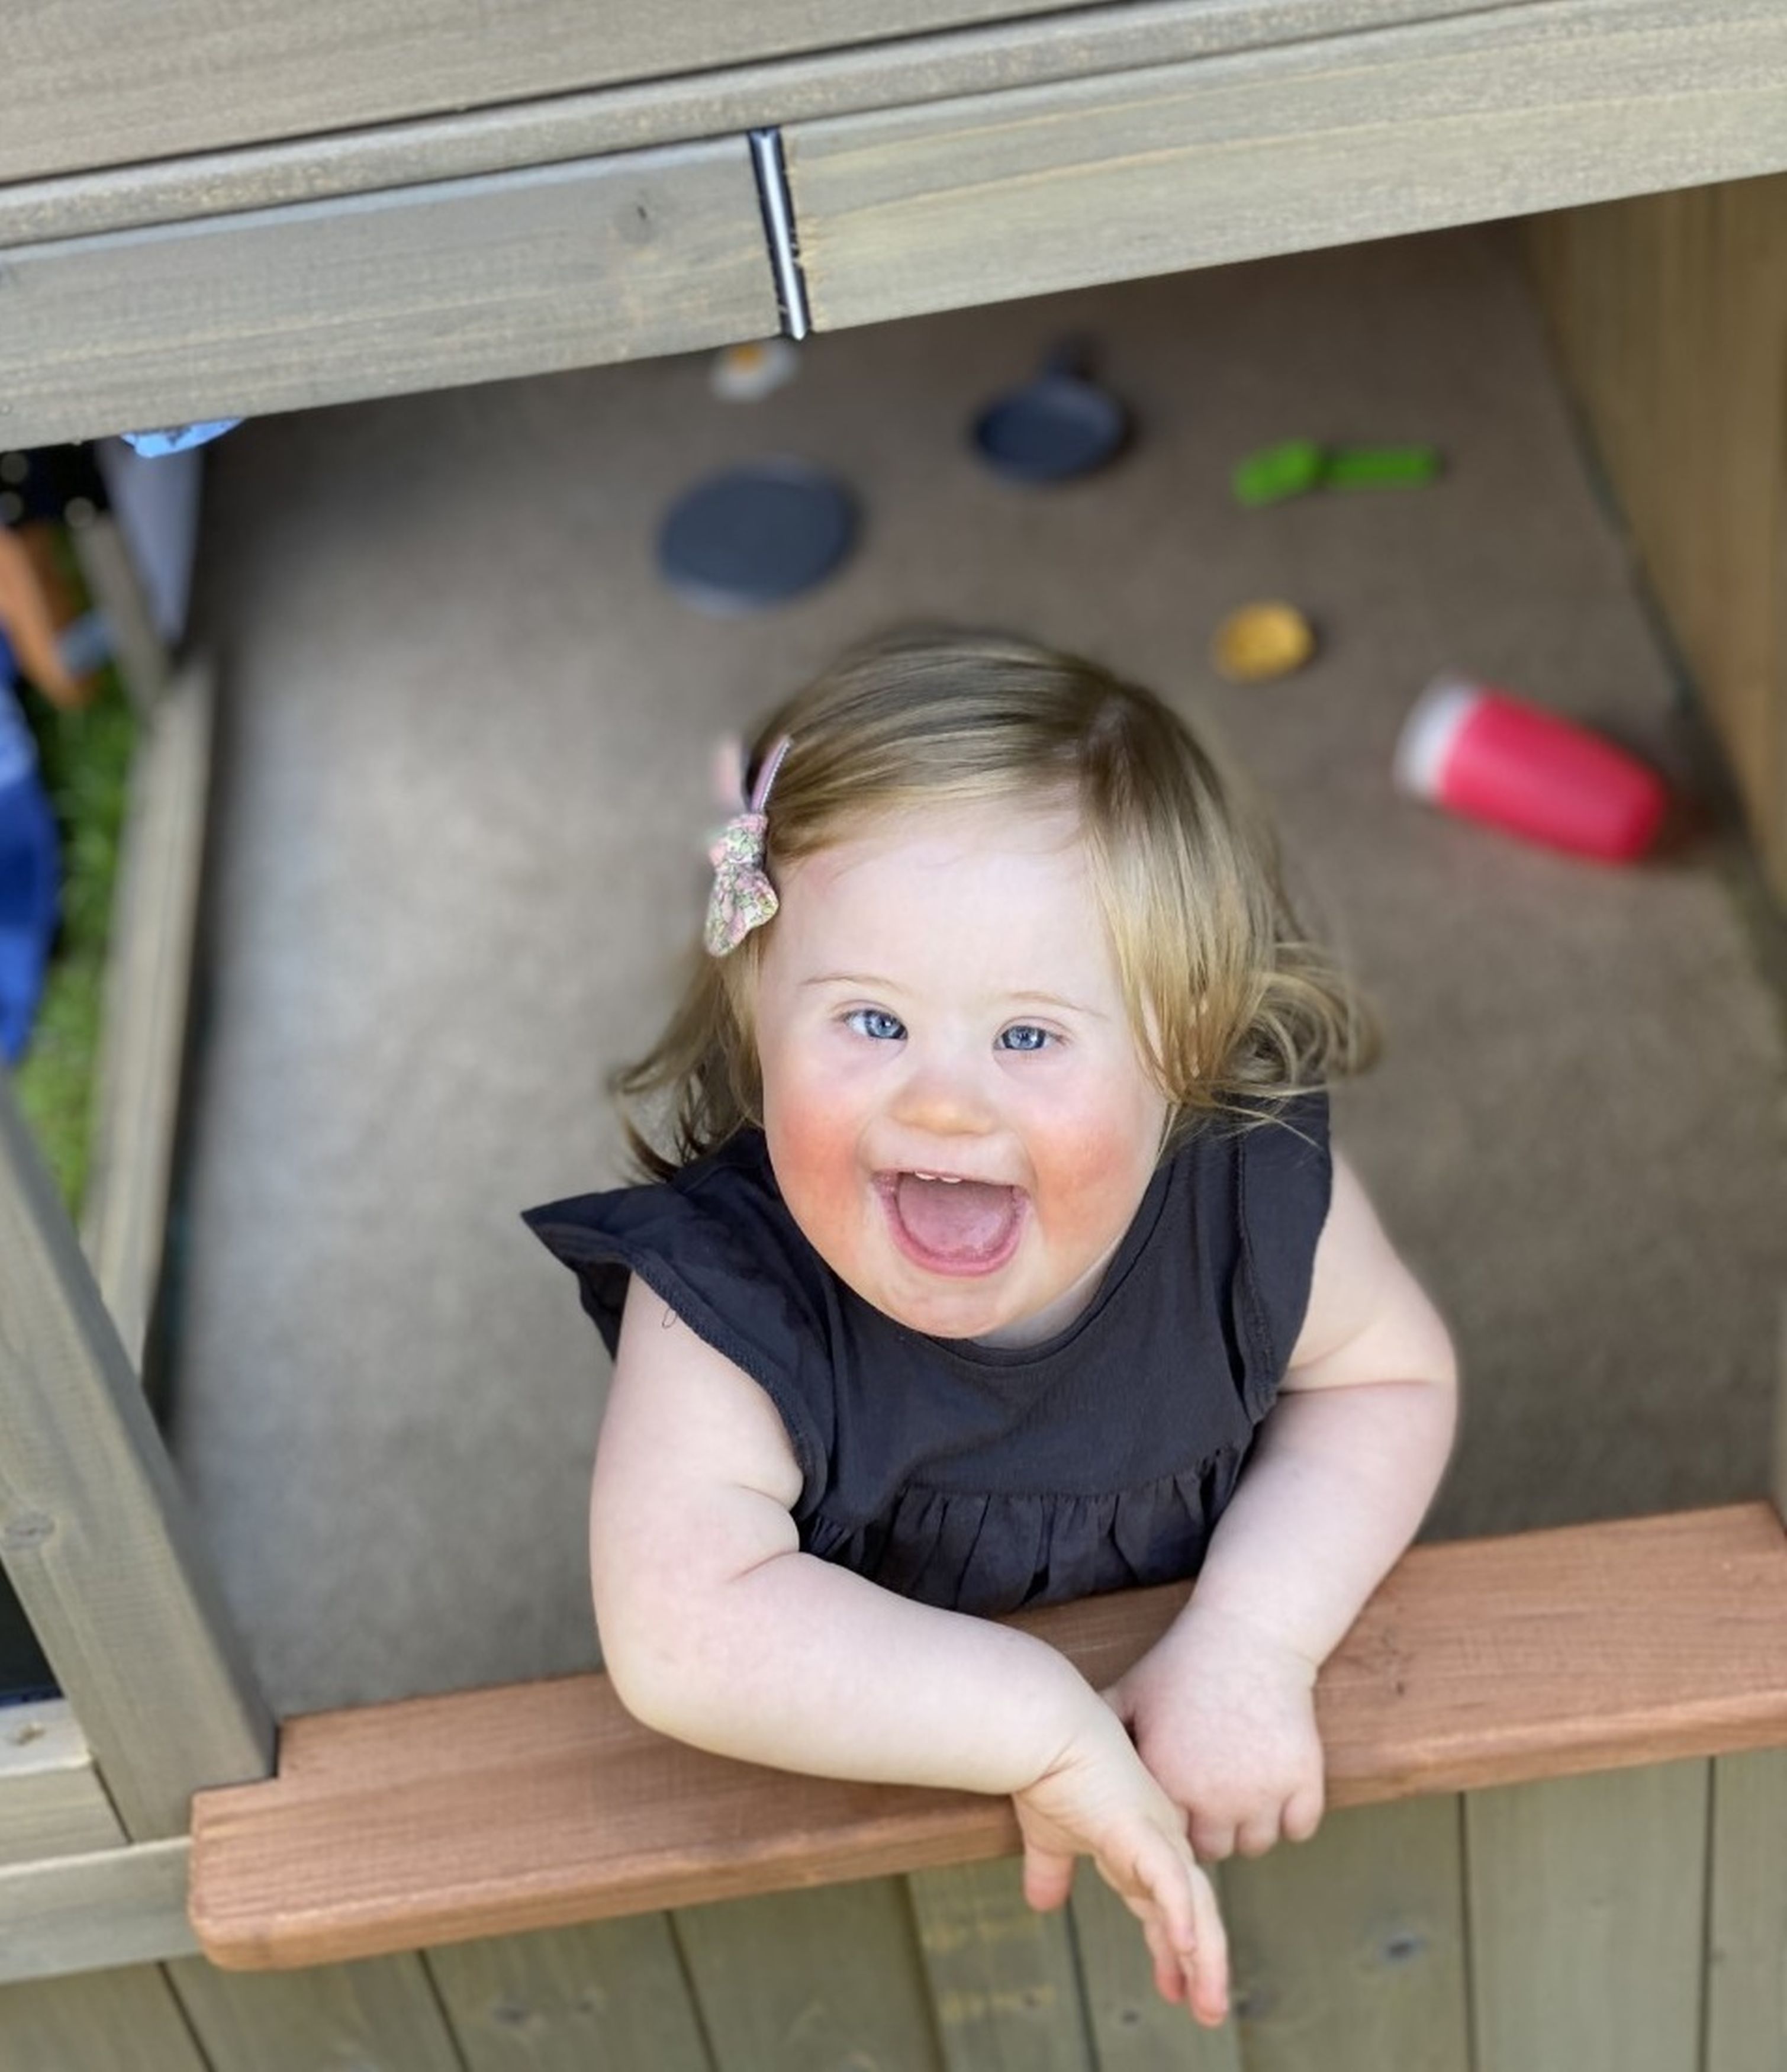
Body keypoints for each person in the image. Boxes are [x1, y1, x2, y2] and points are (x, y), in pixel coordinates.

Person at [525, 629, 1457, 2026]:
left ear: (1182, 1049)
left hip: (1206, 1726)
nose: (944, 1103)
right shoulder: (729, 1298)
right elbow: (678, 1627)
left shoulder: (1245, 1196)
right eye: (869, 1021)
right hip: (870, 1787)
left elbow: (1385, 1381)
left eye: (1029, 1037)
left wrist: (1254, 1642)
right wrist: (1039, 1724)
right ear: (756, 1008)